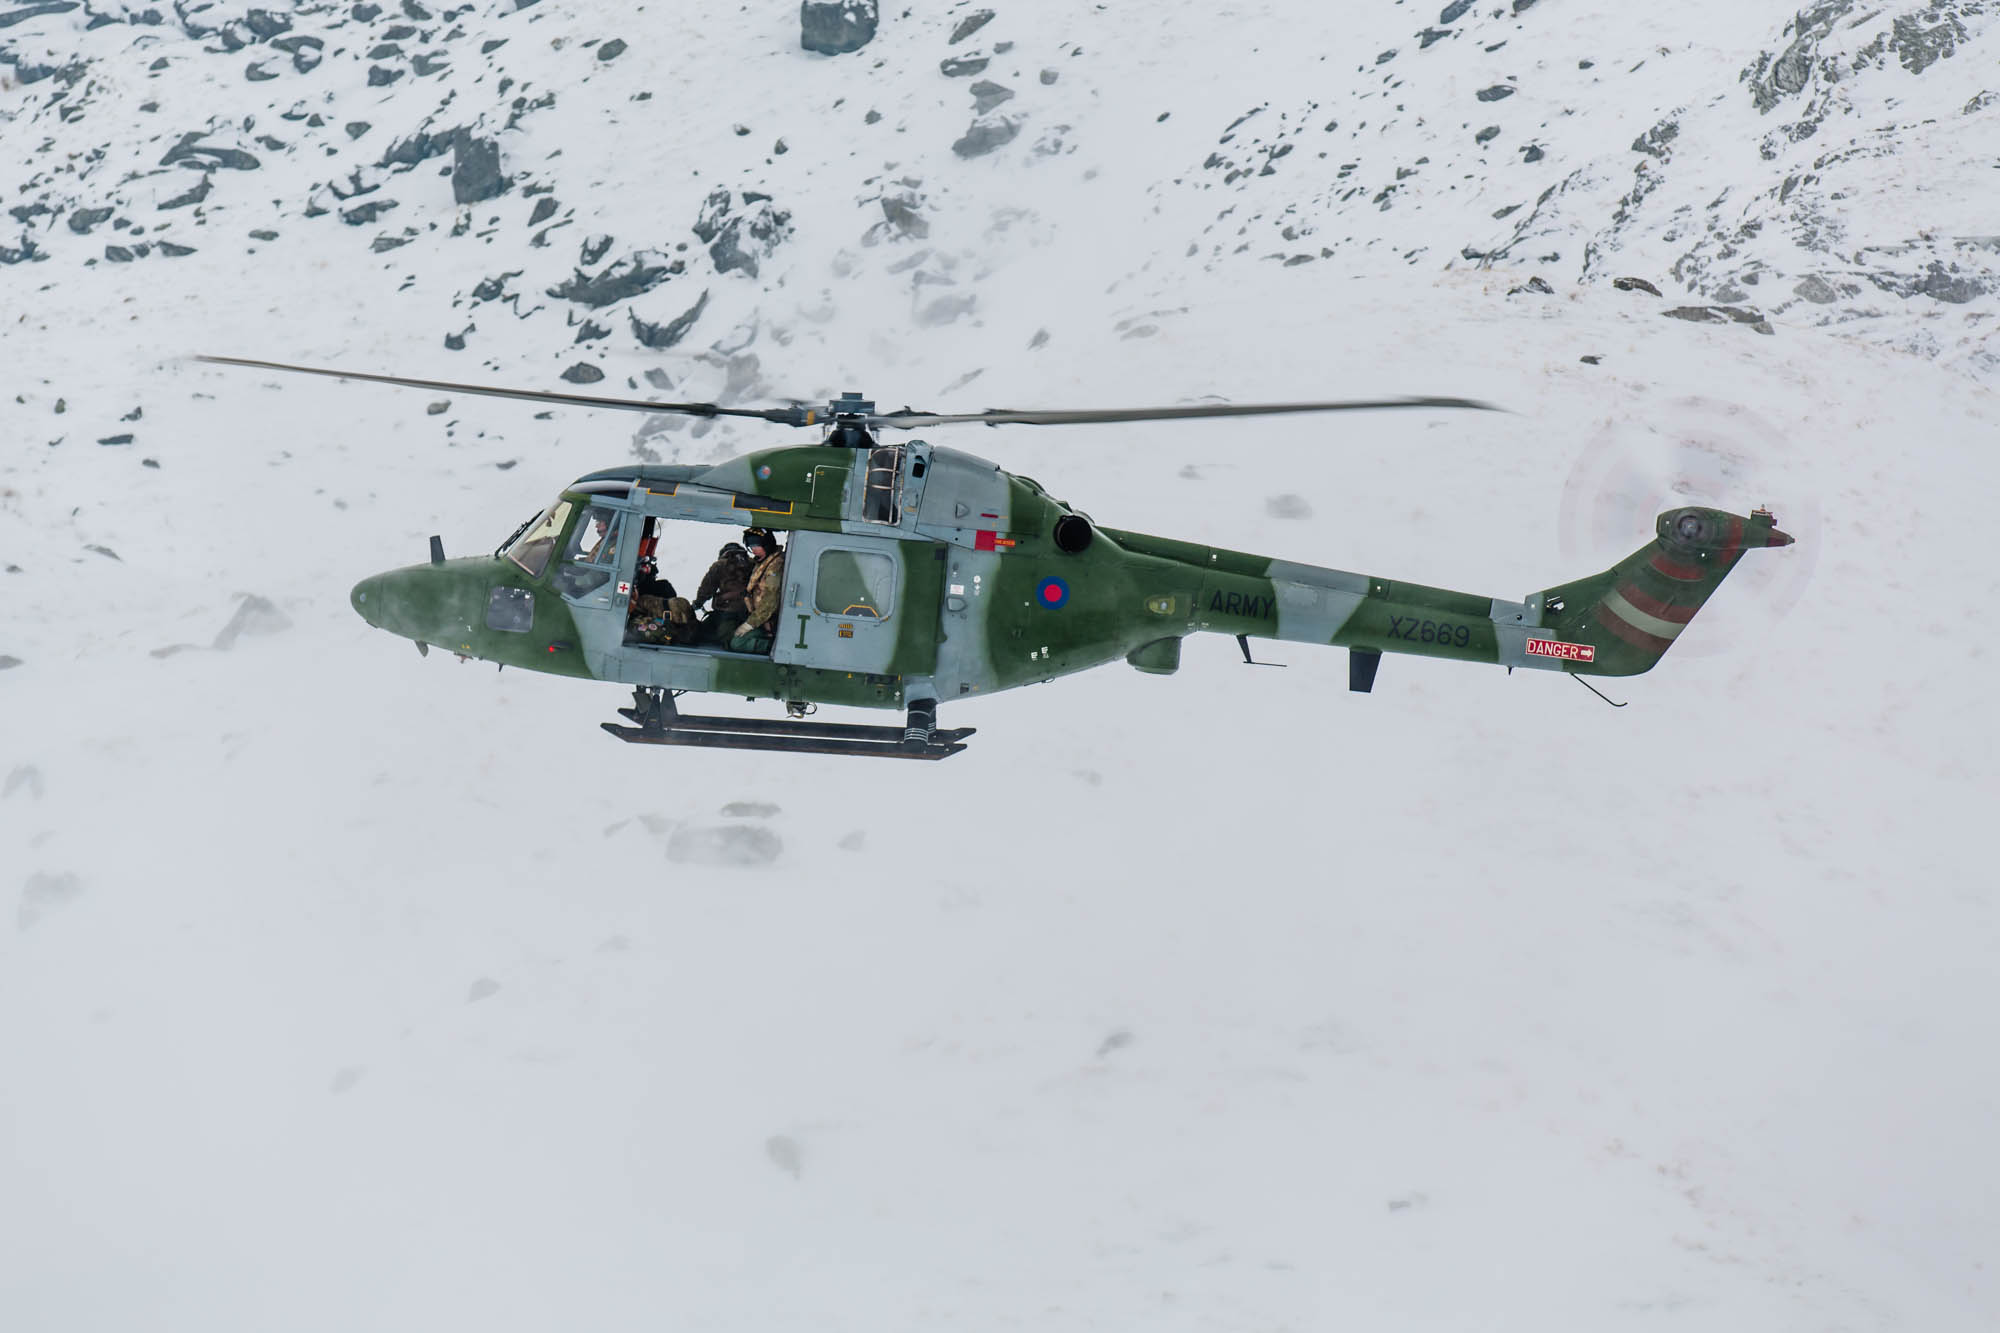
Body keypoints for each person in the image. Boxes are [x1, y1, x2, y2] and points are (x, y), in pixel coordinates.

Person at [730, 529, 785, 654]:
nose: (753, 549)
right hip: (758, 618)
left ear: (767, 544)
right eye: (750, 546)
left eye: (756, 545)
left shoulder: (775, 565)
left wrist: (749, 625)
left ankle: (771, 647)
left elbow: (770, 600)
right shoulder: (762, 561)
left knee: (737, 643)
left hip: (767, 621)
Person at [692, 541, 752, 645]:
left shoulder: (720, 565)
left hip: (726, 612)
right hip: (749, 613)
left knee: (701, 634)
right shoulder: (752, 563)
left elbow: (707, 588)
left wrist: (697, 603)